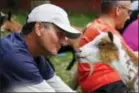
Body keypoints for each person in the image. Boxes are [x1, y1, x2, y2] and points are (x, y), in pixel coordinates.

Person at [0, 4, 81, 92]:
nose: (64, 42)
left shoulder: (34, 55)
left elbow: (61, 88)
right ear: (39, 28)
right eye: (59, 34)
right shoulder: (14, 56)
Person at [78, 0, 138, 93]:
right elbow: (134, 58)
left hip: (96, 84)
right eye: (128, 11)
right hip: (109, 85)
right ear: (118, 10)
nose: (129, 17)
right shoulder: (106, 32)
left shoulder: (96, 26)